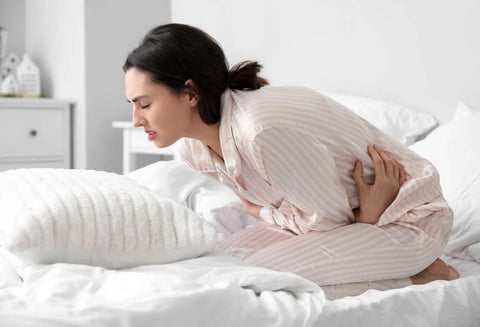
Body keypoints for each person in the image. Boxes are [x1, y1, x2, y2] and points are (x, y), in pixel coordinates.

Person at [123, 23, 459, 299]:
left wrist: (262, 212)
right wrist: (266, 213)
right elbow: (296, 215)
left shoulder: (260, 132)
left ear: (191, 94)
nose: (136, 119)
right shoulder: (195, 149)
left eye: (145, 104)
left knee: (249, 283)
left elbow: (325, 224)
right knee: (216, 264)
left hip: (407, 221)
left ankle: (424, 275)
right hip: (357, 219)